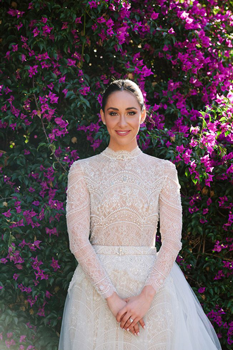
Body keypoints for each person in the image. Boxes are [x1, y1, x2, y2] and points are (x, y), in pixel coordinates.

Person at [58, 79, 222, 349]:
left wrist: (145, 298)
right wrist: (112, 300)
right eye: (114, 113)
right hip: (95, 294)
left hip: (152, 293)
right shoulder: (82, 171)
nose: (122, 122)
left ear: (143, 115)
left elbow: (171, 241)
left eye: (131, 112)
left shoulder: (163, 171)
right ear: (102, 116)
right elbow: (78, 240)